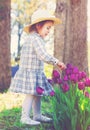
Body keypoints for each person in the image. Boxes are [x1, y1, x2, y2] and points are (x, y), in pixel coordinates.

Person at [9, 9, 66, 125]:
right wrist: (56, 62)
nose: (49, 31)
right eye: (48, 27)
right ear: (39, 25)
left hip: (36, 71)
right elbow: (43, 55)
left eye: (50, 28)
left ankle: (37, 115)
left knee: (37, 94)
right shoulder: (35, 39)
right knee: (31, 94)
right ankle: (24, 117)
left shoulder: (35, 38)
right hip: (31, 72)